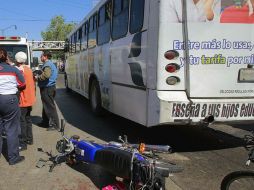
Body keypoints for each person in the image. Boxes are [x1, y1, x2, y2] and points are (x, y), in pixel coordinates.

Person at [0, 48, 26, 165]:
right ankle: (13, 157)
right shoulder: (13, 69)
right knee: (11, 129)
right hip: (9, 100)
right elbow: (22, 84)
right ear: (6, 57)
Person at [15, 52, 36, 151]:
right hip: (30, 99)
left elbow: (19, 85)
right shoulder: (28, 69)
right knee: (28, 119)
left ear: (17, 60)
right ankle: (30, 139)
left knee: (22, 121)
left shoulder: (20, 70)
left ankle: (23, 143)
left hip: (23, 100)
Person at [36, 51, 59, 131]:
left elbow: (46, 75)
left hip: (47, 88)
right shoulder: (50, 64)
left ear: (45, 56)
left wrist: (37, 78)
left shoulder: (47, 64)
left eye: (41, 56)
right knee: (46, 106)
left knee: (50, 107)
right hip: (48, 87)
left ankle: (55, 125)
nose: (40, 57)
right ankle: (45, 122)